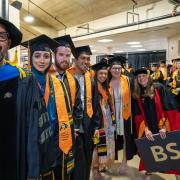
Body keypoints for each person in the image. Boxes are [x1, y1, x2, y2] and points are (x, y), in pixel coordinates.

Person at [0, 18, 53, 180]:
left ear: (9, 43)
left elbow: (35, 130)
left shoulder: (23, 80)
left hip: (12, 167)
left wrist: (33, 171)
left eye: (1, 37)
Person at [22, 34, 76, 180]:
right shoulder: (24, 82)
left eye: (46, 56)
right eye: (37, 56)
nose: (42, 61)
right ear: (31, 57)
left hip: (54, 142)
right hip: (32, 144)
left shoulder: (56, 82)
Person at [132, 68, 180, 180]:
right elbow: (138, 115)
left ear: (148, 77)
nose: (141, 78)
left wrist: (164, 126)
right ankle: (149, 171)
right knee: (149, 150)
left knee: (172, 153)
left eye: (143, 76)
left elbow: (169, 107)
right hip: (149, 126)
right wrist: (145, 129)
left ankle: (177, 175)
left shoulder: (159, 88)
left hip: (162, 125)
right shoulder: (137, 93)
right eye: (139, 77)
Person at [50, 35, 84, 180]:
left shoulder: (72, 80)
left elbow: (78, 107)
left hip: (68, 134)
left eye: (67, 55)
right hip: (50, 135)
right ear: (54, 55)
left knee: (66, 171)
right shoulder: (45, 77)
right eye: (61, 54)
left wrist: (74, 127)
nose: (64, 58)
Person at [68, 45, 101, 180]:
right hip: (71, 124)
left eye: (88, 58)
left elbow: (95, 104)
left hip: (86, 126)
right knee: (72, 160)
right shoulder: (66, 77)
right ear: (75, 59)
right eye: (83, 58)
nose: (86, 61)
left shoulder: (91, 80)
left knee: (85, 159)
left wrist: (96, 126)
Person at [108, 56, 136, 174]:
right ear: (110, 69)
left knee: (125, 137)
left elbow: (135, 95)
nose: (117, 70)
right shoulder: (106, 81)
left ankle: (124, 162)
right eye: (114, 68)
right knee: (110, 138)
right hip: (111, 113)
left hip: (125, 112)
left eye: (119, 68)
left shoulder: (128, 80)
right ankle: (108, 161)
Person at [91, 60, 116, 179]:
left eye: (105, 74)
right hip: (98, 120)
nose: (103, 76)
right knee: (98, 145)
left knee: (107, 142)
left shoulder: (106, 87)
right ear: (96, 74)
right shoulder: (93, 86)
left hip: (108, 120)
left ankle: (102, 165)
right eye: (101, 73)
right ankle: (96, 168)